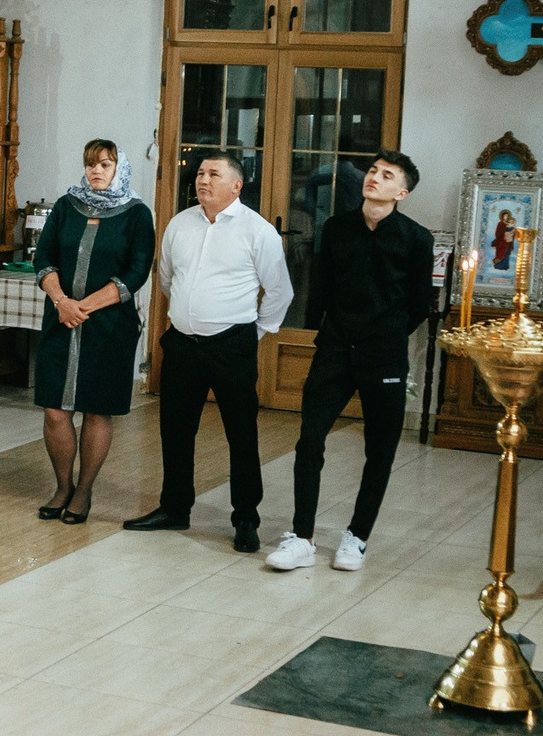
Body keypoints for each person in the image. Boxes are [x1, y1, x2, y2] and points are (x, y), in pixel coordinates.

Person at [270, 152, 434, 574]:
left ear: (403, 192)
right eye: (373, 171)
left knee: (379, 450)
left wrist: (386, 332)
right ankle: (302, 536)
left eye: (387, 176)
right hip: (336, 348)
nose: (373, 179)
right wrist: (322, 332)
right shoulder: (336, 228)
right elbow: (321, 287)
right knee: (309, 439)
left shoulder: (416, 239)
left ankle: (357, 536)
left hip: (384, 353)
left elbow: (419, 304)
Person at [125, 155, 292, 552]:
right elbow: (166, 277)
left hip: (231, 345)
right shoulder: (180, 224)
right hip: (183, 343)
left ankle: (246, 518)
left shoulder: (258, 231)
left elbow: (280, 291)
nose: (203, 179)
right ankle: (175, 507)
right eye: (200, 173)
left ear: (237, 185)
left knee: (241, 433)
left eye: (214, 174)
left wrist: (255, 334)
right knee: (176, 430)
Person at [30, 139, 154, 525]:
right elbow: (43, 256)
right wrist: (62, 301)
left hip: (109, 326)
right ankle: (62, 485)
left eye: (105, 164)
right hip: (61, 318)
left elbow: (137, 271)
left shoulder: (136, 213)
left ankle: (83, 491)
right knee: (55, 409)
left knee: (97, 409)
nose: (96, 171)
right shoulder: (67, 207)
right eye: (90, 164)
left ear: (120, 168)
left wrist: (86, 306)